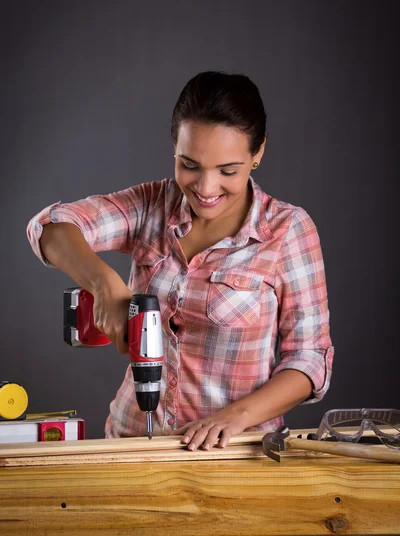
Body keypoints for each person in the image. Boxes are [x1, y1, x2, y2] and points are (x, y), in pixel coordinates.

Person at [27, 71, 334, 451]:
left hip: (233, 454)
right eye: (189, 165)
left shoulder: (288, 231)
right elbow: (49, 228)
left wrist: (236, 416)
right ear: (175, 147)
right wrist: (103, 283)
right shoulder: (151, 207)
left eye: (228, 171)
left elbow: (309, 361)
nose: (205, 188)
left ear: (257, 154)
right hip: (132, 443)